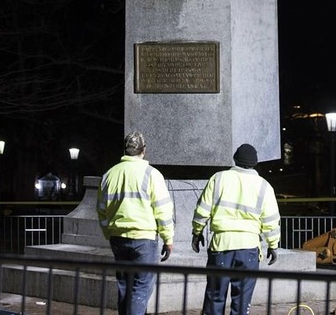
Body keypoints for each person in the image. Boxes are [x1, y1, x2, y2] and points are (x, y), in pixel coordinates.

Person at [191, 143, 281, 315]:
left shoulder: (218, 178)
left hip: (221, 246)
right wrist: (273, 245)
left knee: (215, 298)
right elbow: (271, 221)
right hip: (249, 249)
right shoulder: (264, 186)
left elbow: (202, 210)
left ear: (235, 159)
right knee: (241, 303)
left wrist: (197, 232)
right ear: (255, 163)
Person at [96, 131, 174, 315]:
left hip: (117, 238)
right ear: (143, 150)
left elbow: (101, 209)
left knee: (124, 286)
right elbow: (162, 210)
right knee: (141, 288)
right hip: (144, 239)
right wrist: (168, 238)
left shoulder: (109, 174)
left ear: (125, 150)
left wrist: (109, 232)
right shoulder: (152, 174)